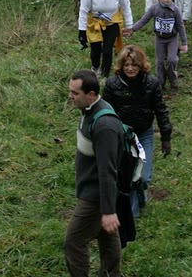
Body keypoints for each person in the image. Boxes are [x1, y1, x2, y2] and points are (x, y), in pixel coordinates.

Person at [65, 69, 124, 277]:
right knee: (107, 235)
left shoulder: (104, 126)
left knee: (74, 241)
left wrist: (108, 210)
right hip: (92, 191)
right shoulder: (88, 110)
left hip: (95, 196)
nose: (70, 96)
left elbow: (108, 170)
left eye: (75, 93)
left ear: (90, 94)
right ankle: (111, 274)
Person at [103, 45, 172, 218]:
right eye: (126, 65)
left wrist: (166, 137)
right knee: (129, 176)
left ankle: (141, 194)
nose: (130, 68)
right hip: (123, 136)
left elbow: (161, 110)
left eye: (134, 65)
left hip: (144, 134)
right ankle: (132, 215)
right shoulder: (112, 84)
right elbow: (105, 112)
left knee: (144, 177)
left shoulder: (152, 83)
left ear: (141, 66)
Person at [78, 0, 133, 78]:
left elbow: (126, 7)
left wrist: (129, 26)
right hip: (95, 22)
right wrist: (81, 30)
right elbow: (83, 10)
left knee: (108, 51)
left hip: (112, 22)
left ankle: (105, 76)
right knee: (95, 50)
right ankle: (95, 67)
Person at [132, 0, 187, 89]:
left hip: (172, 39)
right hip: (160, 39)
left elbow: (181, 26)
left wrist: (184, 43)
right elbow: (144, 20)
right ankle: (160, 82)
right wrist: (132, 29)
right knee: (160, 61)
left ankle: (173, 79)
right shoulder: (154, 8)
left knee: (172, 60)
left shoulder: (175, 10)